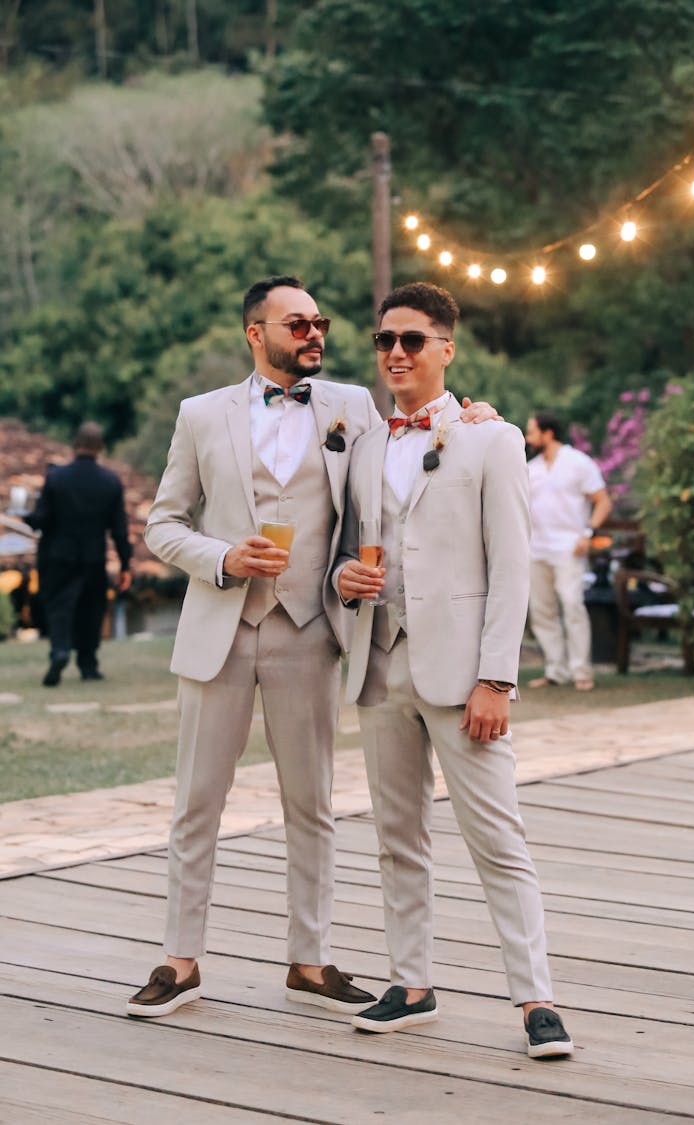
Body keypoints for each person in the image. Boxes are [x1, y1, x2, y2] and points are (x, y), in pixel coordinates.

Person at [127, 275, 496, 1019]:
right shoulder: (202, 415)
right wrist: (223, 558)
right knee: (197, 802)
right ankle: (180, 957)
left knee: (313, 805)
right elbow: (162, 524)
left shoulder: (352, 407)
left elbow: (415, 437)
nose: (314, 334)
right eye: (297, 324)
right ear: (255, 333)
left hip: (310, 631)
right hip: (219, 634)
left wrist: (472, 419)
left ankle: (310, 957)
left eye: (319, 322)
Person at [335, 282, 573, 1059]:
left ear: (446, 349)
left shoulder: (492, 439)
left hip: (464, 674)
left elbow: (511, 565)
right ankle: (410, 983)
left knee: (496, 837)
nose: (395, 353)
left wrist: (496, 678)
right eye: (384, 341)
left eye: (411, 339)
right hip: (380, 664)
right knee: (397, 836)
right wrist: (344, 578)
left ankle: (536, 996)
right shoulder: (367, 444)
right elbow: (350, 544)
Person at [25, 422, 132, 686]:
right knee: (91, 610)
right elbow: (119, 529)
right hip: (93, 557)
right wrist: (125, 565)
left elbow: (41, 519)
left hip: (57, 557)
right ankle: (88, 665)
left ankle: (60, 651)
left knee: (59, 608)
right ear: (101, 448)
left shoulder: (56, 477)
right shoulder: (110, 482)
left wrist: (24, 516)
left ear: (75, 446)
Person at [525, 411, 612, 691]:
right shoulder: (532, 468)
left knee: (572, 604)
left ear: (548, 433)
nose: (528, 437)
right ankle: (555, 670)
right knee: (541, 611)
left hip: (569, 547)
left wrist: (588, 532)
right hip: (535, 548)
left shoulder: (578, 462)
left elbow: (603, 502)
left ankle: (581, 671)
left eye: (532, 431)